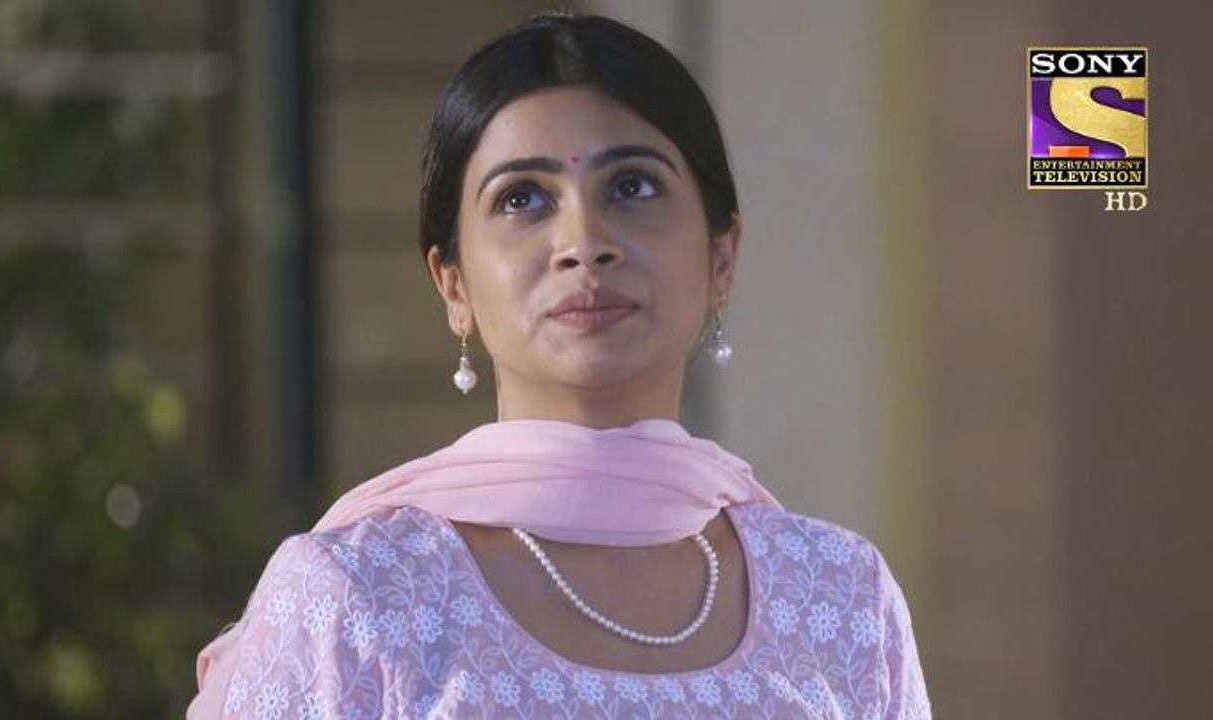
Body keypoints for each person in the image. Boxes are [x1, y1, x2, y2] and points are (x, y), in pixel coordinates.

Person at [187, 11, 931, 719]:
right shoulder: (358, 596)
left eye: (632, 187)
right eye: (523, 200)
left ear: (721, 258)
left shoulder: (841, 598)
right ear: (454, 285)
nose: (584, 243)